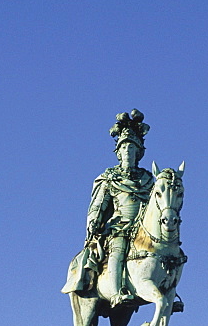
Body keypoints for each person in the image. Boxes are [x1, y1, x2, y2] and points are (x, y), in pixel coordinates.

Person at [62, 110, 154, 308]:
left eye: (132, 149)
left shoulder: (148, 180)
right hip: (119, 227)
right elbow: (98, 204)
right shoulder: (109, 178)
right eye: (124, 149)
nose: (128, 153)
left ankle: (167, 289)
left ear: (139, 153)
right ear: (119, 153)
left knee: (166, 251)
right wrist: (94, 222)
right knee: (118, 248)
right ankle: (116, 292)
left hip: (144, 230)